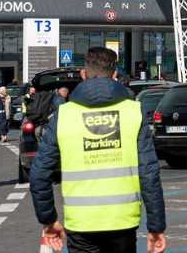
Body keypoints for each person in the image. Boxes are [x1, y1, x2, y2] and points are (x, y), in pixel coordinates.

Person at [30, 47, 166, 253]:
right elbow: (149, 173)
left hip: (80, 225)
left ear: (83, 75)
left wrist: (48, 220)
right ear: (115, 76)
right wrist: (156, 227)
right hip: (122, 222)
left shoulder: (64, 116)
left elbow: (39, 173)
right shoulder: (132, 112)